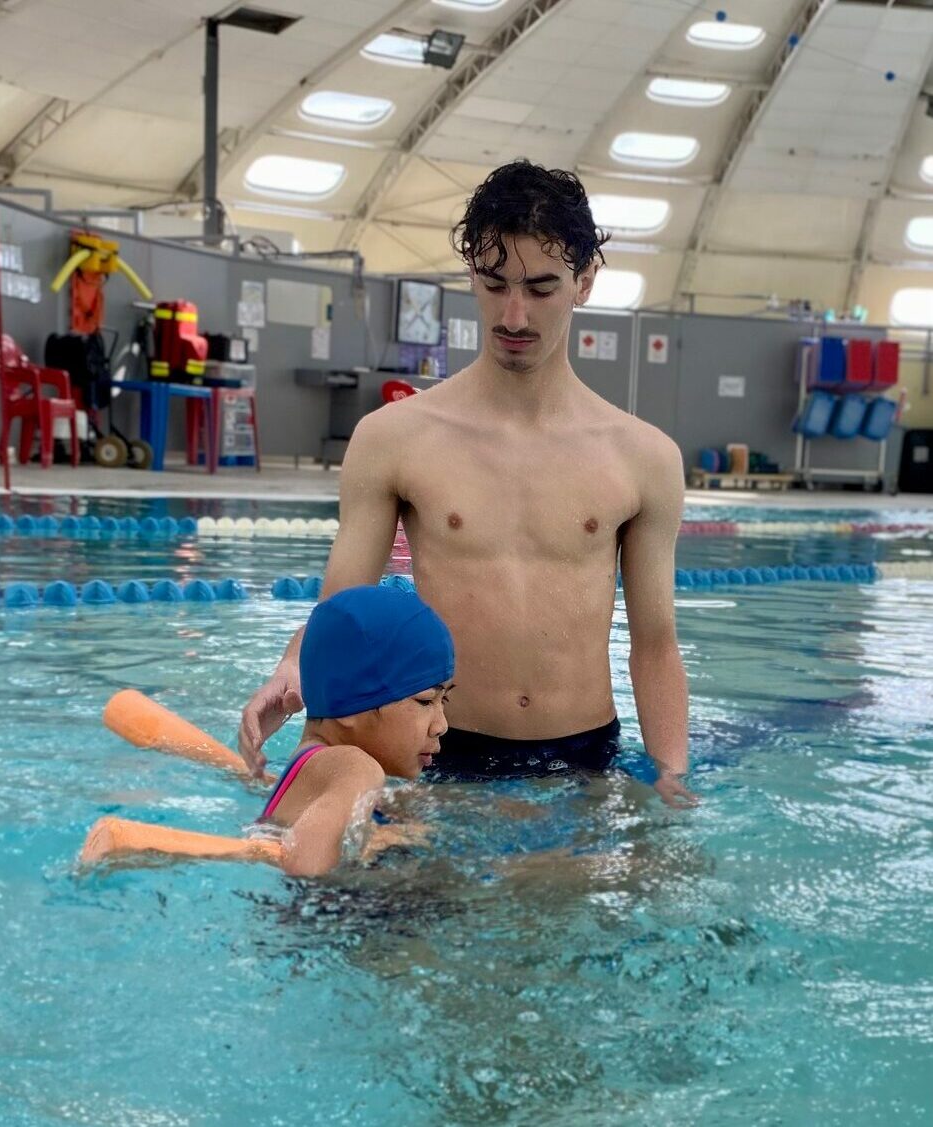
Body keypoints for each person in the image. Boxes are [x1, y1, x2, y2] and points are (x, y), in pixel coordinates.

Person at [239, 160, 696, 808]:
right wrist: (292, 668)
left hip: (583, 763)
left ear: (585, 281)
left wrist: (667, 777)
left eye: (540, 288)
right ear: (470, 276)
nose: (513, 314)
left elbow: (654, 644)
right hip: (439, 756)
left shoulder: (643, 458)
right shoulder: (394, 437)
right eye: (493, 283)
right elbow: (343, 600)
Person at [80, 585, 454, 876]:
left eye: (444, 701)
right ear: (351, 709)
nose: (442, 725)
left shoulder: (312, 763)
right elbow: (307, 870)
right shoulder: (357, 768)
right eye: (425, 701)